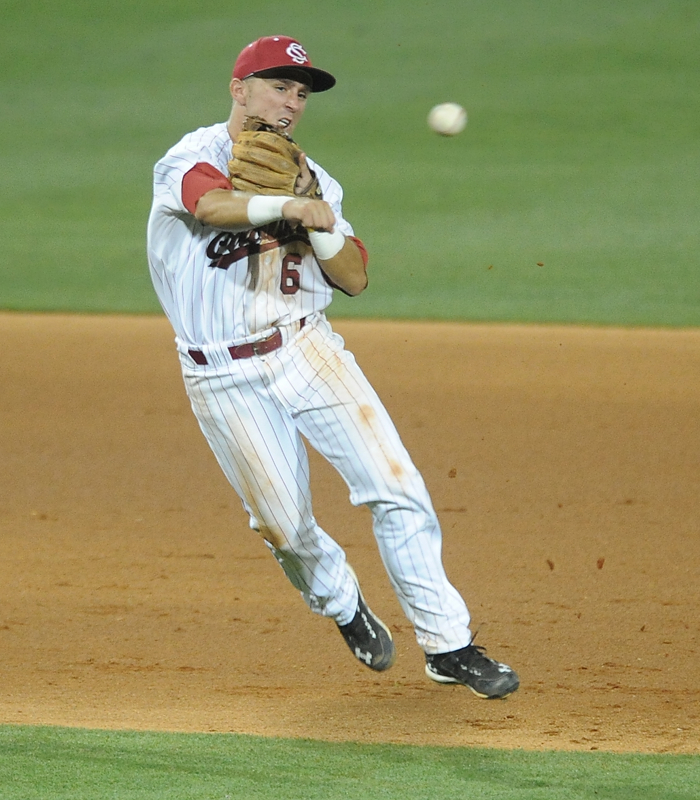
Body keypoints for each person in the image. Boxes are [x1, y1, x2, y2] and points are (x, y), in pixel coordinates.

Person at [146, 35, 519, 699]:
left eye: (300, 92)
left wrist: (318, 218)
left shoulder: (317, 180)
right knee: (283, 526)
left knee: (396, 484)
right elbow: (209, 205)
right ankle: (343, 604)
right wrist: (286, 207)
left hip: (307, 349)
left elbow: (353, 277)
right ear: (238, 89)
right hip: (221, 375)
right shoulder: (191, 156)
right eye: (276, 85)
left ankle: (449, 644)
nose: (290, 101)